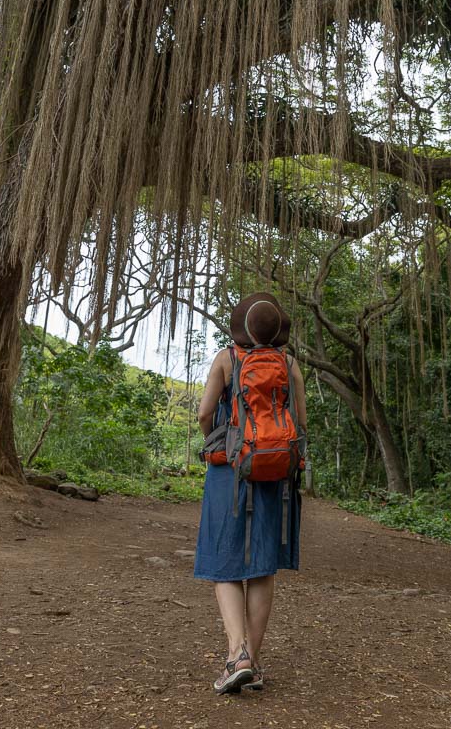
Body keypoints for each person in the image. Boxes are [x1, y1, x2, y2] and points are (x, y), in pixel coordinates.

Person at [193, 292, 307, 694]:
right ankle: (253, 663)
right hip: (274, 471)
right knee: (261, 565)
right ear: (278, 332)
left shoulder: (227, 359)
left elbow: (205, 413)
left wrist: (218, 443)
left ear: (240, 328)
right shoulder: (290, 365)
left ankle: (235, 655)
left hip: (230, 469)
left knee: (224, 562)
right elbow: (301, 426)